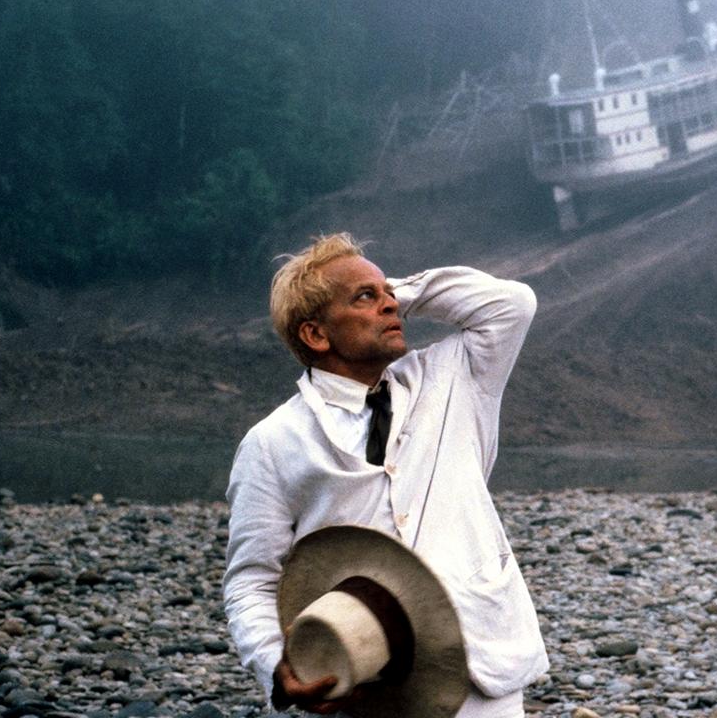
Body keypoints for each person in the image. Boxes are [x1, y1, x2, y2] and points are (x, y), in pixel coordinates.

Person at [222, 233, 548, 716]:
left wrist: (384, 289)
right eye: (366, 299)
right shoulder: (272, 443)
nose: (389, 306)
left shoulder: (455, 376)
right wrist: (276, 664)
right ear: (316, 334)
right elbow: (251, 580)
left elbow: (512, 303)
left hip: (482, 665)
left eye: (388, 295)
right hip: (361, 681)